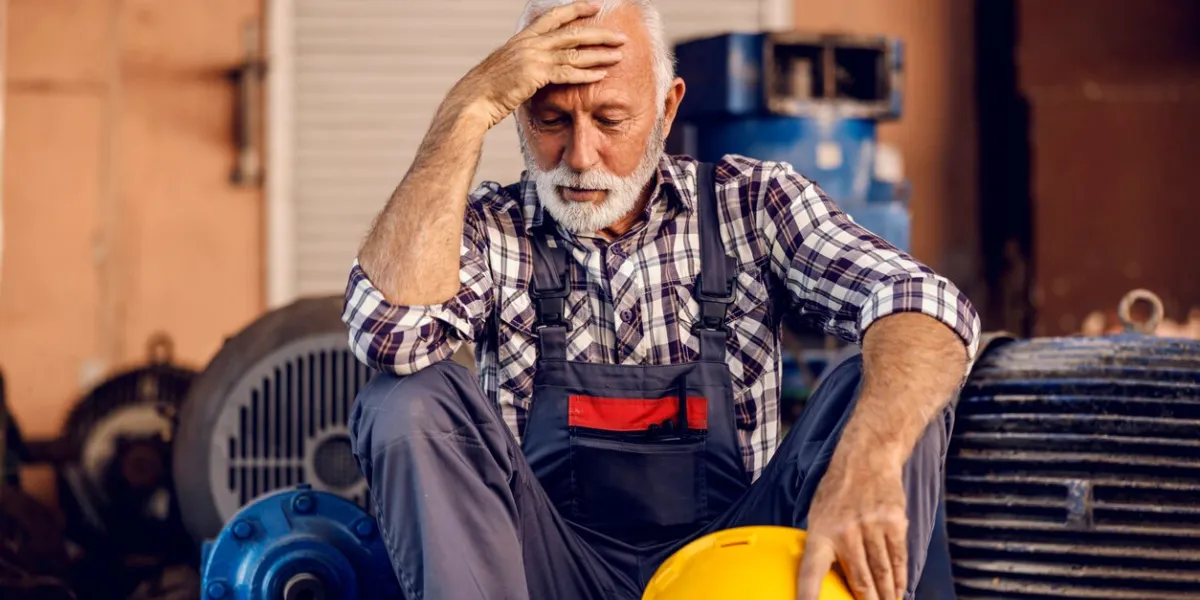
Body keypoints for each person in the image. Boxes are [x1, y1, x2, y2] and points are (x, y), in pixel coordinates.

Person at [342, 1, 980, 599]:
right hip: (544, 571)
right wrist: (468, 105)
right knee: (410, 400)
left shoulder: (751, 204)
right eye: (550, 120)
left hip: (735, 568)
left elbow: (926, 301)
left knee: (895, 373)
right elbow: (388, 336)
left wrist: (870, 458)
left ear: (667, 109)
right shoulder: (490, 227)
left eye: (611, 120)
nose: (580, 156)